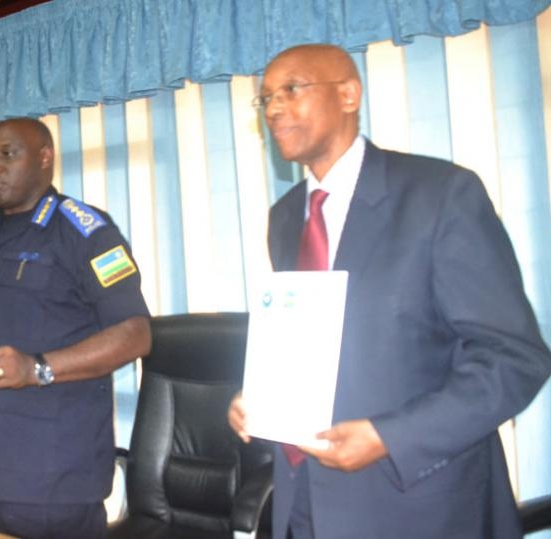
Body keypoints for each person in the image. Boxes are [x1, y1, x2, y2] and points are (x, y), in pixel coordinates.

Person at [228, 44, 551, 539]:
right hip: (306, 501)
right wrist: (262, 398)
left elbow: (514, 358)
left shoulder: (441, 195)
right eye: (266, 98)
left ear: (349, 94)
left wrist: (388, 438)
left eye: (291, 90)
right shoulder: (287, 216)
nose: (273, 108)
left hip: (418, 505)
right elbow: (318, 343)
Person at [0, 117, 151, 539]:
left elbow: (135, 334)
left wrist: (38, 368)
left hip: (51, 470)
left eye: (7, 154)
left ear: (44, 157)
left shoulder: (84, 230)